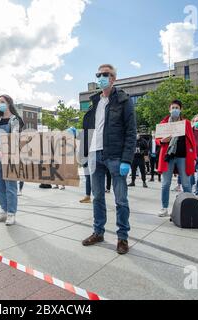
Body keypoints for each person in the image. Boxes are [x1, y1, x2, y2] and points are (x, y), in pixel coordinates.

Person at [81, 64, 137, 255]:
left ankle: (122, 237)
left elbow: (131, 132)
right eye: (99, 74)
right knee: (97, 197)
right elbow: (88, 129)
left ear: (114, 78)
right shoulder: (94, 101)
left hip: (115, 156)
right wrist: (81, 147)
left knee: (121, 199)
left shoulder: (124, 100)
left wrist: (127, 160)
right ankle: (98, 232)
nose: (102, 77)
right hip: (95, 155)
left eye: (106, 74)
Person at [157, 100, 197, 217]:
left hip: (183, 157)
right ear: (169, 110)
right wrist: (162, 141)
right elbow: (157, 139)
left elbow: (192, 141)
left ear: (180, 109)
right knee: (165, 183)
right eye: (173, 107)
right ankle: (164, 208)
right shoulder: (164, 123)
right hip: (168, 156)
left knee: (186, 183)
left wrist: (193, 156)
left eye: (177, 107)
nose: (175, 109)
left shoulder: (186, 123)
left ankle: (189, 207)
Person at [0, 95, 23, 226]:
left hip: (10, 155)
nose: (0, 105)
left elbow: (14, 137)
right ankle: (3, 210)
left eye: (2, 102)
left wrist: (3, 149)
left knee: (10, 186)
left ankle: (11, 213)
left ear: (9, 103)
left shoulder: (15, 119)